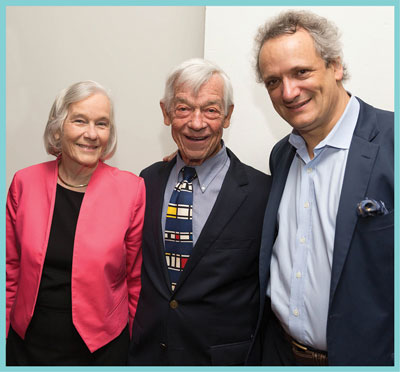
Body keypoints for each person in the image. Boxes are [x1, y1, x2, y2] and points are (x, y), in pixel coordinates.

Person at [249, 10, 394, 366]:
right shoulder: (282, 155)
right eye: (272, 81)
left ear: (335, 66)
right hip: (280, 355)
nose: (288, 91)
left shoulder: (392, 143)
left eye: (301, 72)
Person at [128, 58, 271, 366]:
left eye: (210, 109)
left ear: (228, 115)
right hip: (148, 354)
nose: (196, 123)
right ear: (166, 113)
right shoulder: (146, 182)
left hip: (221, 360)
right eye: (183, 109)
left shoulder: (262, 194)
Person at [6, 81, 145, 365]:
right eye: (80, 121)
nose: (91, 134)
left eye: (102, 124)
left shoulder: (132, 190)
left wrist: (132, 344)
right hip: (27, 346)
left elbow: (136, 281)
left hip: (102, 349)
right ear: (58, 128)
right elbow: (10, 269)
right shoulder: (24, 183)